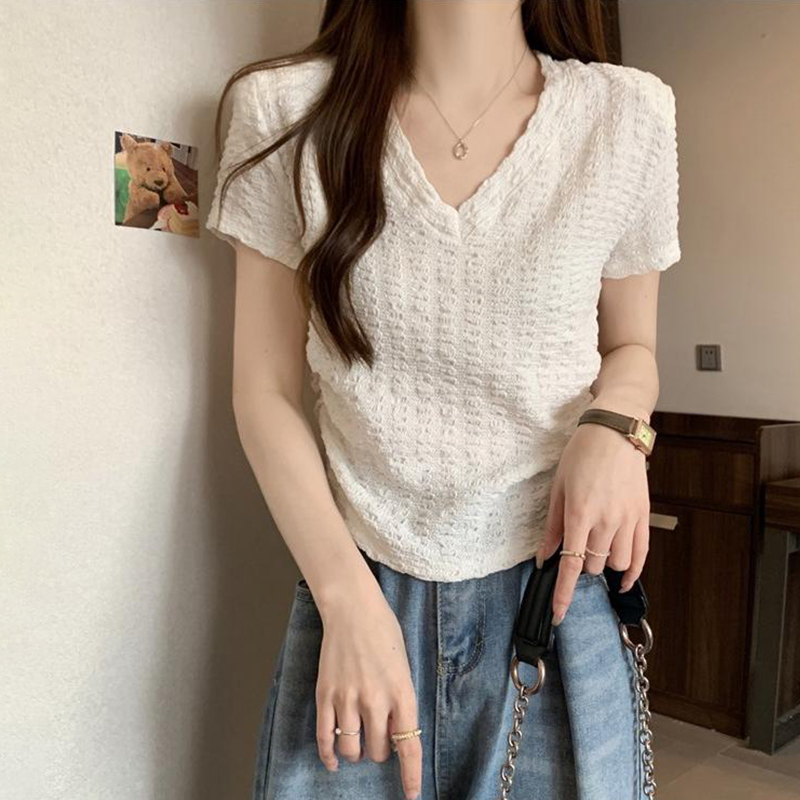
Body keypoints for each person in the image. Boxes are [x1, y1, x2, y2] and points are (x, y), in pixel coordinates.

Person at [205, 1, 680, 798]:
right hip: (359, 599)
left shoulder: (627, 115)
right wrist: (345, 599)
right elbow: (264, 389)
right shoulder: (285, 111)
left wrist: (615, 426)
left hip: (556, 598)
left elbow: (633, 347)